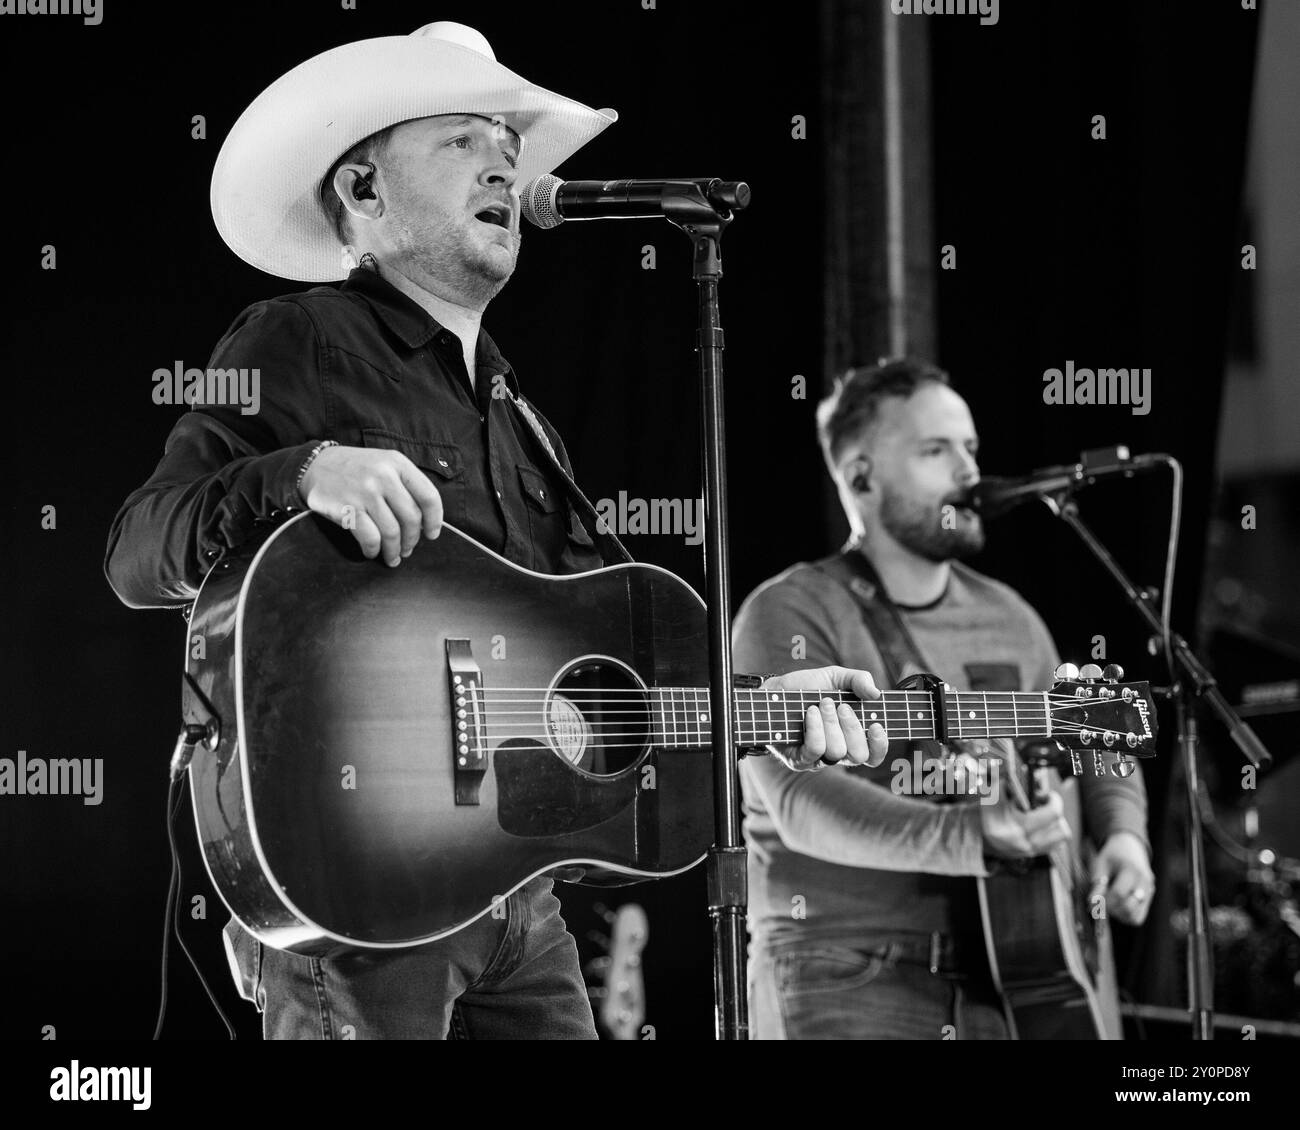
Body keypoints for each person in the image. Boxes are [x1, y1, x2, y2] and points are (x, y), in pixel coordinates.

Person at [104, 20, 888, 1040]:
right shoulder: (297, 338)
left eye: (506, 145)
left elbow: (596, 666)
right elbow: (136, 550)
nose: (504, 161)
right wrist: (302, 471)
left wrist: (760, 706)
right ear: (363, 191)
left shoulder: (523, 418)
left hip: (515, 894)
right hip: (356, 891)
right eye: (463, 140)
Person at [732, 357, 1156, 1040]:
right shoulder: (789, 613)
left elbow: (1093, 734)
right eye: (936, 450)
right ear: (862, 477)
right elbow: (800, 805)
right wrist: (969, 836)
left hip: (1027, 972)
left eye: (971, 449)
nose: (968, 471)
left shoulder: (1011, 615)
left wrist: (1124, 838)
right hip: (848, 970)